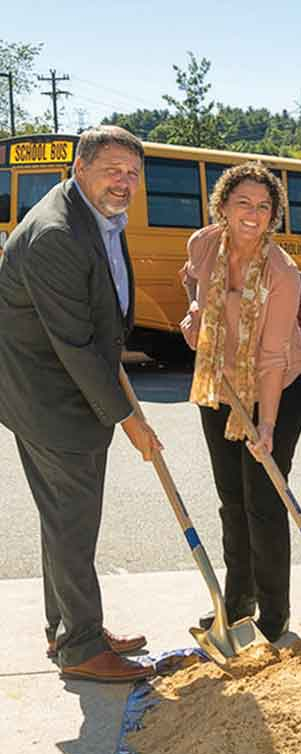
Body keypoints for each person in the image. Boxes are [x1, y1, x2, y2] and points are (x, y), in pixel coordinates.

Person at [0, 125, 159, 682]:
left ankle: (70, 627)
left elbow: (99, 320)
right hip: (50, 399)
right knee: (72, 520)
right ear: (80, 168)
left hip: (64, 389)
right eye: (113, 170)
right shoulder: (56, 235)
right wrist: (128, 418)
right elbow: (74, 344)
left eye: (133, 173)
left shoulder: (94, 216)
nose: (124, 182)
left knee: (64, 520)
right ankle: (82, 648)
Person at [180, 162, 301, 642]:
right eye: (243, 204)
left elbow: (274, 357)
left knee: (263, 501)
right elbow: (194, 283)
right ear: (222, 207)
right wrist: (195, 314)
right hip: (219, 384)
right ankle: (237, 605)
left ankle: (273, 617)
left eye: (263, 206)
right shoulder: (203, 244)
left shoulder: (282, 272)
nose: (253, 215)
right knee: (231, 499)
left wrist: (269, 425)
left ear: (273, 214)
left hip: (275, 389)